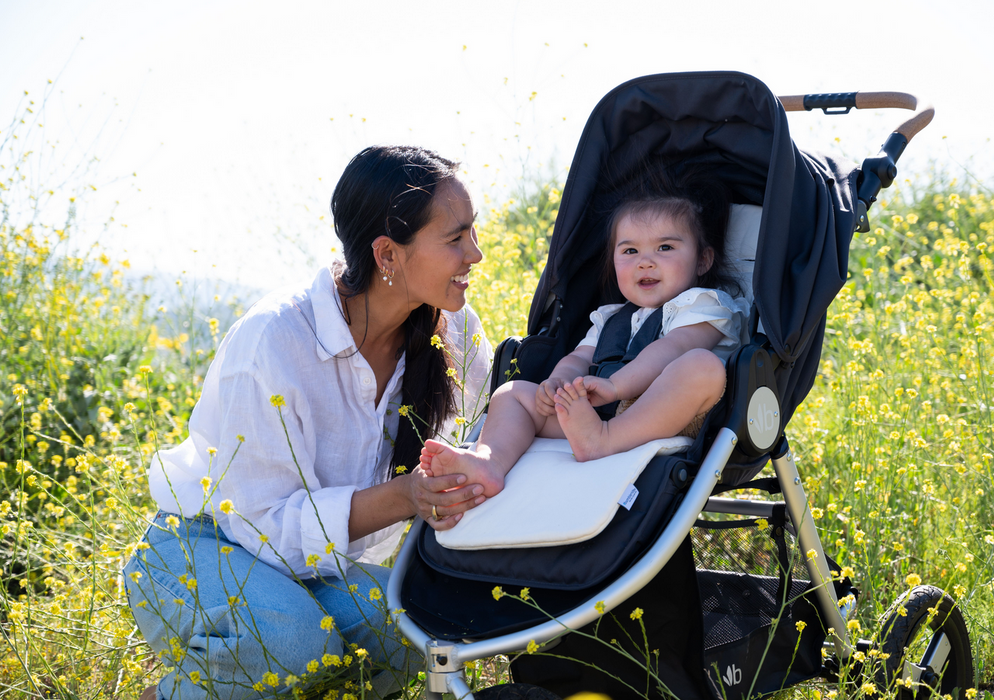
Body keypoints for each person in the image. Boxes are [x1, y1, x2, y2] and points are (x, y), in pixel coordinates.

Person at [124, 145, 493, 700]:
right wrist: (407, 496)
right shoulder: (275, 338)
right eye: (455, 238)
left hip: (314, 566)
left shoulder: (453, 330)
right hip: (208, 542)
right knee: (294, 645)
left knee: (413, 631)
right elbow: (260, 525)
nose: (476, 254)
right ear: (388, 255)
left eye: (473, 233)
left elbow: (487, 426)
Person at [423, 185, 748, 498]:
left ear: (703, 260)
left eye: (665, 248)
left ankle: (604, 441)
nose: (645, 261)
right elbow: (580, 358)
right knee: (512, 394)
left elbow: (673, 348)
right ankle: (489, 462)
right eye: (630, 250)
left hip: (668, 415)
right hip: (594, 411)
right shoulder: (610, 317)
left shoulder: (705, 304)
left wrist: (617, 386)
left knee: (701, 366)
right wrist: (558, 384)